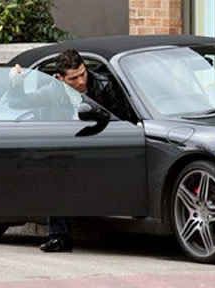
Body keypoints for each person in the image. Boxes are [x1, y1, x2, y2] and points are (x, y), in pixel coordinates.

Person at [9, 49, 133, 252]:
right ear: (60, 78)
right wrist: (17, 84)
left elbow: (122, 118)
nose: (82, 81)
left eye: (83, 74)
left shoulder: (105, 84)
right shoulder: (52, 90)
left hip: (102, 144)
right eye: (73, 78)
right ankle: (59, 236)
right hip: (70, 149)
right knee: (50, 169)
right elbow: (16, 103)